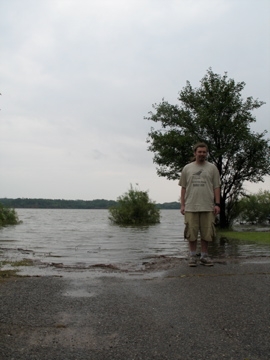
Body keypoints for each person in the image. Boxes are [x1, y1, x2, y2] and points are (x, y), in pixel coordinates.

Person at [179, 142, 221, 267]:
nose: (202, 154)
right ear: (195, 153)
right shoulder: (187, 168)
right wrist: (182, 205)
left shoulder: (212, 168)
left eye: (204, 152)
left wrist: (217, 204)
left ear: (206, 153)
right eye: (200, 152)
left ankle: (204, 256)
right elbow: (183, 188)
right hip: (191, 206)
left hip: (207, 206)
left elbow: (217, 187)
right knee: (191, 232)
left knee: (206, 233)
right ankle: (192, 256)